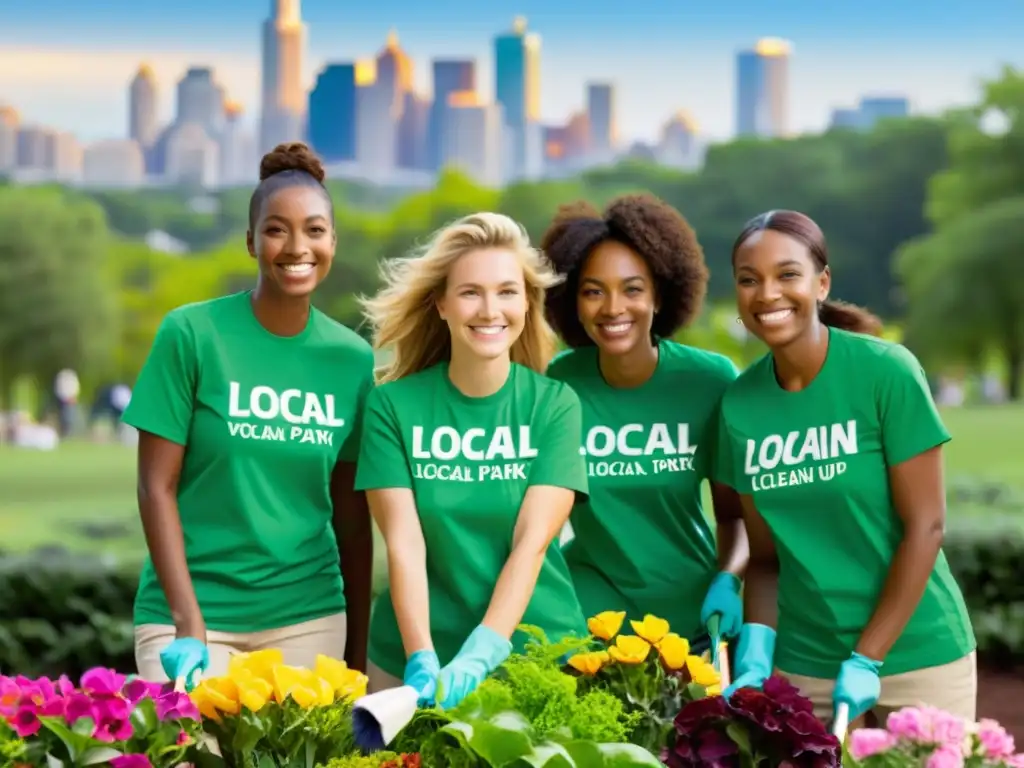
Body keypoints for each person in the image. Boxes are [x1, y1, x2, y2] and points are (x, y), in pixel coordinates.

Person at [122, 142, 376, 689]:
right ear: (251, 241)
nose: (296, 246)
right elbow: (154, 487)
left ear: (332, 241)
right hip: (189, 619)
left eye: (313, 230)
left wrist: (355, 650)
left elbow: (352, 517)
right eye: (276, 229)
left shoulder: (353, 360)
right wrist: (190, 625)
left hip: (308, 618)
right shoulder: (190, 334)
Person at [718, 210, 976, 725]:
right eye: (749, 280)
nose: (767, 293)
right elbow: (767, 560)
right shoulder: (739, 406)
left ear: (822, 283)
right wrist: (754, 653)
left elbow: (926, 526)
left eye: (787, 274)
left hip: (918, 655)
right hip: (805, 670)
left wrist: (868, 656)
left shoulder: (886, 372)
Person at [355, 212, 588, 710]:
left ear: (527, 302)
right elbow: (404, 542)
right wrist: (422, 656)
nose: (490, 309)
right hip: (409, 660)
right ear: (440, 304)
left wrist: (483, 651)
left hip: (536, 656)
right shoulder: (391, 406)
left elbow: (531, 544)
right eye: (470, 292)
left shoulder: (555, 404)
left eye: (507, 291)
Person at [540, 195, 749, 652]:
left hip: (695, 620)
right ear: (572, 301)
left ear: (660, 294)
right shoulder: (558, 384)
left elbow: (735, 515)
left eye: (633, 289)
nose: (613, 307)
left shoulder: (709, 381)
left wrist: (729, 581)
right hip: (589, 623)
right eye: (593, 291)